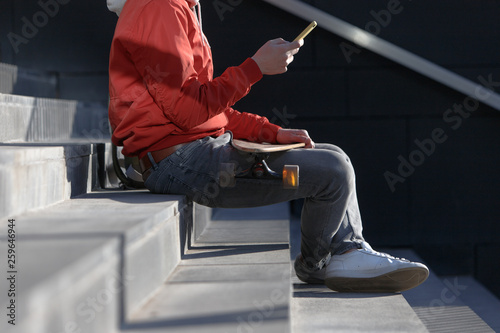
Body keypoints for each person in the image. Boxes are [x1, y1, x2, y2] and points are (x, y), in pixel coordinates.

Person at [107, 0, 429, 292]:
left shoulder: (174, 5)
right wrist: (255, 68)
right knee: (333, 172)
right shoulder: (158, 6)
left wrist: (270, 132)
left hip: (189, 150)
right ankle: (326, 261)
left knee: (332, 154)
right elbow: (187, 109)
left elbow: (204, 110)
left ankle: (346, 251)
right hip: (177, 161)